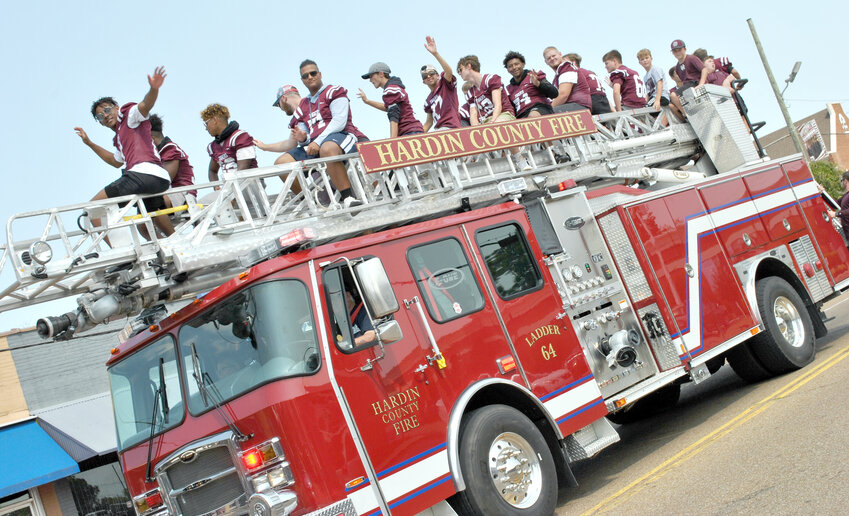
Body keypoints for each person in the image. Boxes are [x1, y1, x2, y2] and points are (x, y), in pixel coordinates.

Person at [74, 66, 174, 239]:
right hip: (158, 179)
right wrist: (89, 143)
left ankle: (118, 251)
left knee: (94, 209)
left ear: (116, 107)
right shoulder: (120, 137)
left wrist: (154, 89)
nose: (105, 116)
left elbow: (145, 105)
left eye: (106, 110)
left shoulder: (129, 115)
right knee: (149, 215)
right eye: (99, 117)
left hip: (142, 174)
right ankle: (172, 243)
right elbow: (115, 161)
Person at [278, 59, 369, 209]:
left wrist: (316, 142)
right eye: (305, 76)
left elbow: (339, 121)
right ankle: (312, 204)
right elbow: (306, 135)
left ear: (320, 74)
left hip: (342, 136)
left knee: (327, 148)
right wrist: (304, 138)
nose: (310, 77)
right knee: (282, 163)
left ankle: (348, 198)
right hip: (316, 143)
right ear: (302, 80)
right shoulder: (303, 104)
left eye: (313, 73)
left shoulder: (334, 91)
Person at [456, 55, 530, 170]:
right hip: (486, 120)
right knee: (473, 135)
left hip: (503, 114)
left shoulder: (491, 79)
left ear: (469, 66)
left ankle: (519, 158)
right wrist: (476, 129)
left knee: (499, 125)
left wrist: (493, 122)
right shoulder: (471, 93)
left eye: (460, 70)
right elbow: (473, 114)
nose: (459, 73)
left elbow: (498, 104)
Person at [358, 62, 424, 137]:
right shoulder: (394, 87)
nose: (370, 80)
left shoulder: (391, 89)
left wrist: (392, 141)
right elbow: (389, 107)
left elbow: (393, 115)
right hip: (413, 130)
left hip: (409, 132)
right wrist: (367, 101)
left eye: (371, 76)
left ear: (381, 74)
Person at [149, 114, 196, 209]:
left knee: (153, 202)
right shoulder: (157, 153)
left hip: (182, 193)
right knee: (144, 204)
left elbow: (165, 180)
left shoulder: (170, 149)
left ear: (152, 138)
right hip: (169, 193)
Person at [201, 103, 257, 182]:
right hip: (231, 188)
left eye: (206, 123)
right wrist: (217, 187)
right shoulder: (213, 146)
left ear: (214, 120)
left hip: (249, 184)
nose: (206, 128)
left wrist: (229, 191)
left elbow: (243, 170)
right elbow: (212, 171)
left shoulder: (240, 137)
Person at [254, 85, 302, 165]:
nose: (281, 109)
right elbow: (290, 144)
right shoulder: (297, 118)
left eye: (279, 104)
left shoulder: (309, 106)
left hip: (323, 150)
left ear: (284, 98)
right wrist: (264, 147)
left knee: (282, 163)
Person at [421, 36, 461, 131]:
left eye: (431, 74)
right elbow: (429, 122)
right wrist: (414, 137)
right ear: (423, 82)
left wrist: (435, 54)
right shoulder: (428, 101)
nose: (429, 77)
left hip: (451, 127)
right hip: (438, 130)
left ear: (438, 75)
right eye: (425, 76)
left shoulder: (444, 84)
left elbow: (449, 72)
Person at [503, 50, 558, 119]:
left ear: (523, 64)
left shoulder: (534, 76)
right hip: (521, 115)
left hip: (539, 109)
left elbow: (554, 93)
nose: (514, 67)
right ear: (507, 70)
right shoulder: (508, 89)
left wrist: (539, 84)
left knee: (532, 116)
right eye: (510, 66)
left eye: (516, 64)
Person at [542, 46, 591, 112]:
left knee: (544, 116)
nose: (552, 59)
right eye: (549, 58)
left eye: (554, 55)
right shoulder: (557, 76)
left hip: (578, 106)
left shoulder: (566, 67)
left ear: (560, 54)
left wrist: (547, 110)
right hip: (570, 106)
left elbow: (563, 95)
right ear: (546, 62)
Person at [827, 171, 849, 247]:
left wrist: (836, 214)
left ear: (845, 181)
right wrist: (822, 193)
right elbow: (834, 203)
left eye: (842, 180)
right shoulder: (846, 196)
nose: (841, 183)